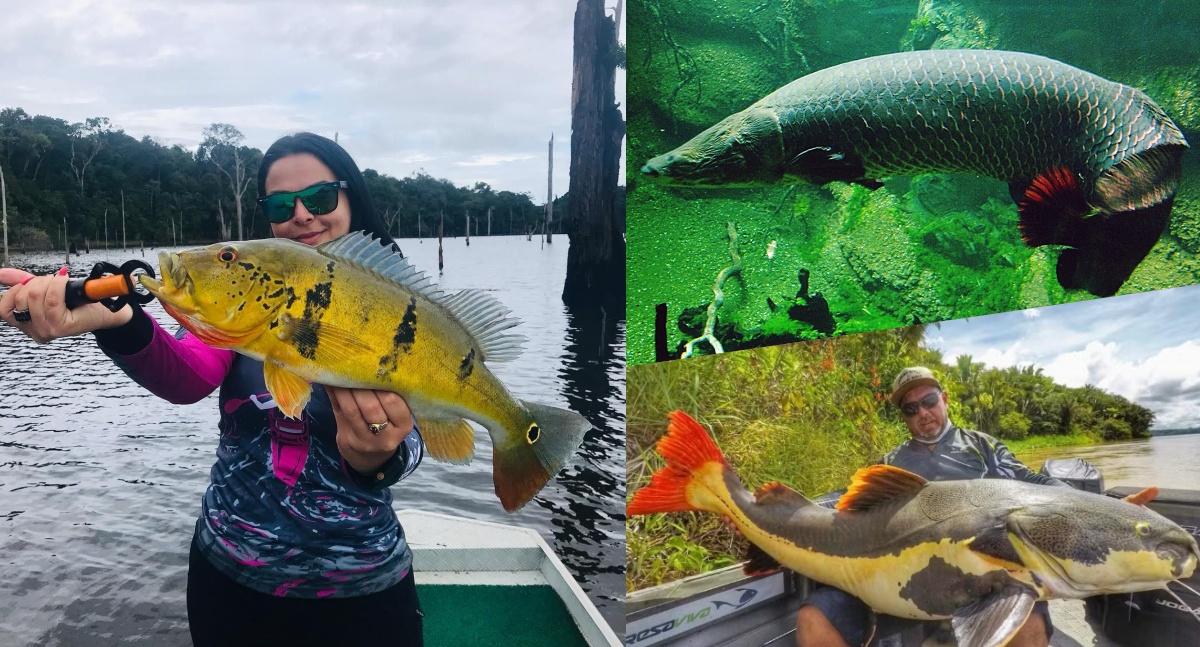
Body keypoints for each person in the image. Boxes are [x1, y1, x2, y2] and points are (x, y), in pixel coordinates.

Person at [0, 132, 426, 646]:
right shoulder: (244, 300)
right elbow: (188, 375)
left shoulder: (406, 307)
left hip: (362, 587)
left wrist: (374, 459)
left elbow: (421, 439)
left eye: (319, 197)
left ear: (351, 197)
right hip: (229, 579)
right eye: (279, 204)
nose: (302, 215)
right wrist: (117, 322)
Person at [795, 366, 1066, 647]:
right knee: (814, 618)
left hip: (985, 583)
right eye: (911, 409)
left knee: (1027, 622)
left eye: (929, 402)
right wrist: (791, 512)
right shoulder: (889, 463)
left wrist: (1103, 503)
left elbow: (1033, 483)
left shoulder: (982, 448)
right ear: (904, 417)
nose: (923, 413)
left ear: (944, 399)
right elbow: (844, 499)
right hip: (901, 585)